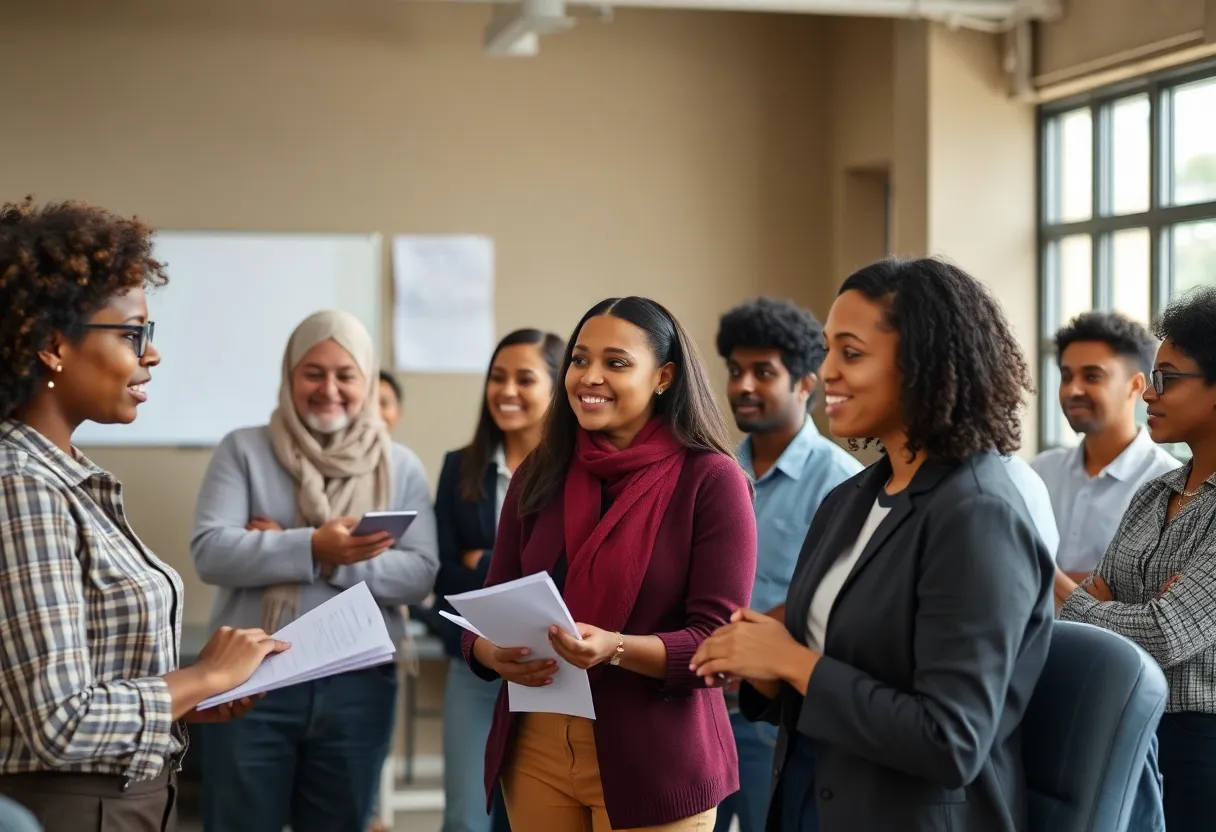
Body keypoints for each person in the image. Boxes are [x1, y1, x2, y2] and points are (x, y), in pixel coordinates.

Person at [691, 257, 1054, 832]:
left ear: (923, 364)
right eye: (828, 348)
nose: (827, 370)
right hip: (816, 797)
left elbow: (950, 740)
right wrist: (764, 669)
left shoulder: (978, 513)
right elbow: (841, 670)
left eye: (851, 353)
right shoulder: (854, 496)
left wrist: (793, 661)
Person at [0, 198, 289, 831]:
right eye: (132, 335)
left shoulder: (66, 476)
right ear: (52, 345)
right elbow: (58, 722)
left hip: (122, 798)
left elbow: (95, 675)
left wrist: (193, 695)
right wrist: (204, 674)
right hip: (70, 809)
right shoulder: (22, 486)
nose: (151, 355)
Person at [462, 297, 757, 831]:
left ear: (663, 376)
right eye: (578, 360)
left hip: (656, 750)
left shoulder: (712, 480)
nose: (589, 377)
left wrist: (614, 648)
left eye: (616, 363)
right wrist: (487, 650)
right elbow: (488, 603)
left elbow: (719, 644)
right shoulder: (539, 473)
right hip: (536, 744)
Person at [191, 310, 439, 832]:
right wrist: (315, 544)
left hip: (359, 684)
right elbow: (212, 552)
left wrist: (303, 550)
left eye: (346, 375)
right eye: (313, 372)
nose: (329, 388)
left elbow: (419, 574)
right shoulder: (244, 449)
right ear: (289, 376)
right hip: (251, 683)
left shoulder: (401, 465)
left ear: (367, 380)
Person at [1060, 287, 1216, 832]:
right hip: (1125, 723)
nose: (1149, 393)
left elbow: (1167, 634)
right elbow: (1130, 611)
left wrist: (1083, 601)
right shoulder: (1157, 491)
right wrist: (1128, 609)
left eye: (1169, 378)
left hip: (1200, 745)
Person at [712, 298, 862, 832]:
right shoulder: (715, 470)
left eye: (763, 372)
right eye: (735, 371)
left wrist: (739, 648)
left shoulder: (843, 484)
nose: (744, 385)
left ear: (805, 384)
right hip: (697, 704)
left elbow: (825, 598)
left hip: (772, 712)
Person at [433, 328, 563, 832]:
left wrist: (481, 559)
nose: (506, 391)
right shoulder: (458, 468)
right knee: (467, 818)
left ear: (556, 389)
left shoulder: (575, 472)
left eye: (524, 379)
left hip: (553, 671)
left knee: (532, 817)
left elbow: (566, 572)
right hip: (476, 665)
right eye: (497, 377)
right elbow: (444, 573)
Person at [1032, 312, 1180, 605]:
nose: (1073, 389)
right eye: (1066, 376)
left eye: (1092, 376)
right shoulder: (1039, 472)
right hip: (1031, 644)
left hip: (1118, 650)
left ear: (1137, 386)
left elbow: (1155, 602)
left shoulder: (1171, 485)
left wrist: (1041, 574)